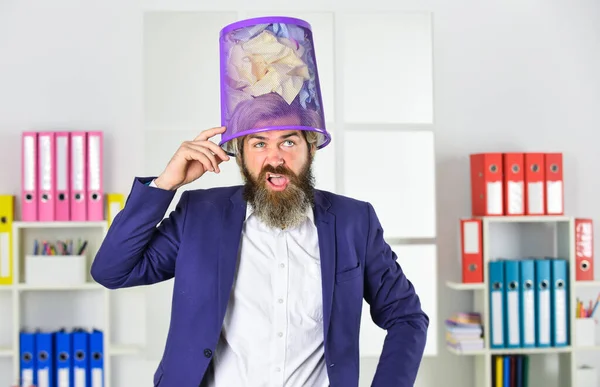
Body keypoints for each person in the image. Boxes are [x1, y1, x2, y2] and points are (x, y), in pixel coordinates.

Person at [92, 16, 428, 387]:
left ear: (310, 149)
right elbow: (112, 271)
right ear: (239, 153)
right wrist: (165, 184)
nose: (275, 157)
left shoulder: (353, 222)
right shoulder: (199, 215)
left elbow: (407, 316)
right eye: (259, 143)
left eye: (288, 141)